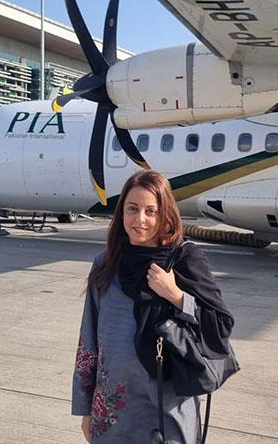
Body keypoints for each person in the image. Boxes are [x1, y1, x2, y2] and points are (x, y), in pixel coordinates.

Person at [72, 170, 235, 443]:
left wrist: (175, 295)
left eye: (151, 211)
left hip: (168, 407)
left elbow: (220, 326)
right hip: (113, 409)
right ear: (121, 213)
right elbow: (88, 343)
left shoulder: (185, 261)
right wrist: (86, 408)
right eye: (132, 209)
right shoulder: (105, 265)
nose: (141, 220)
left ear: (165, 214)